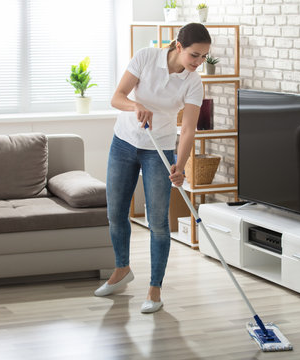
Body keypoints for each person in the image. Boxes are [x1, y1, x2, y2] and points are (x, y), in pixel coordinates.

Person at [94, 23, 211, 314]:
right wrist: (135, 107)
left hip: (159, 149)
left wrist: (179, 166)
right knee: (116, 213)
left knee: (158, 222)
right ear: (178, 47)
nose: (198, 63)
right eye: (194, 55)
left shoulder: (193, 81)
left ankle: (154, 290)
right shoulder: (146, 57)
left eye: (203, 57)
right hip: (123, 143)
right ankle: (122, 269)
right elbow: (117, 97)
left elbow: (187, 129)